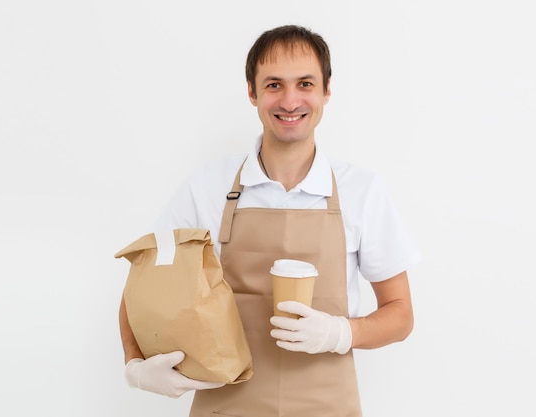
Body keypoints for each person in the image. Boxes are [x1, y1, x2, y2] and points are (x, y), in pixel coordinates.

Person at [118, 24, 421, 416]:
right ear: (252, 92)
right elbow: (141, 289)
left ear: (327, 91)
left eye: (305, 84)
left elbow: (400, 313)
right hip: (225, 405)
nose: (290, 100)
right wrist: (135, 365)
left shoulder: (362, 191)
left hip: (327, 405)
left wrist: (340, 332)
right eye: (274, 84)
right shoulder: (206, 187)